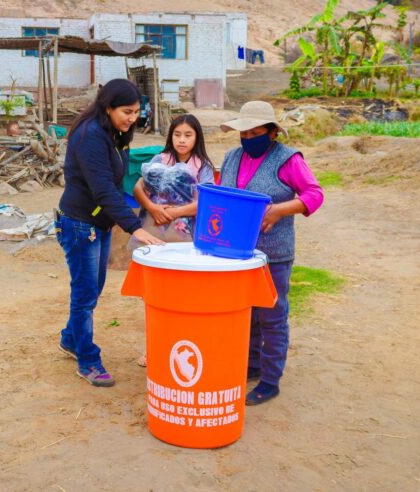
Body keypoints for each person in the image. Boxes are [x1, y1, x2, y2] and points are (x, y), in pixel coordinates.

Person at [56, 79, 163, 387]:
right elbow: (102, 189)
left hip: (97, 223)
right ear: (108, 107)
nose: (132, 118)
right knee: (85, 294)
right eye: (126, 112)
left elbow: (116, 184)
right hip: (79, 224)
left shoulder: (115, 134)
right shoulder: (91, 136)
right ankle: (88, 360)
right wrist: (134, 228)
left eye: (136, 112)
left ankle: (70, 339)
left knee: (92, 288)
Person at [219, 101, 324, 405]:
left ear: (271, 132)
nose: (249, 137)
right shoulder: (231, 157)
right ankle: (251, 365)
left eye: (256, 131)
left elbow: (314, 195)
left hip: (273, 253)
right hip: (237, 253)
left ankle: (270, 380)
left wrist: (279, 210)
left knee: (273, 316)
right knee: (247, 314)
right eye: (244, 132)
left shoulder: (287, 159)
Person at [131, 114, 216, 366]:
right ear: (170, 136)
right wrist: (152, 207)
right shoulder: (159, 160)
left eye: (188, 135)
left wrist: (175, 212)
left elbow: (207, 202)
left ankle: (183, 343)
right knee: (154, 294)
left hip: (187, 240)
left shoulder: (203, 167)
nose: (182, 140)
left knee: (185, 294)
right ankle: (153, 347)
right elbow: (138, 187)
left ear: (197, 137)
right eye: (177, 135)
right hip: (154, 234)